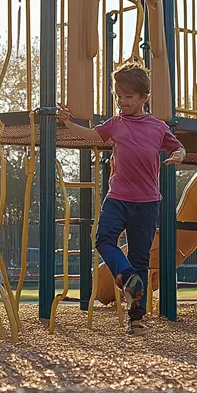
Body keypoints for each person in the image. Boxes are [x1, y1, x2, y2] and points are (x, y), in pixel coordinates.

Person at [62, 60, 184, 334]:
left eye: (128, 97)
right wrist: (68, 123)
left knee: (140, 257)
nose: (122, 102)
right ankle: (128, 277)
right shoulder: (115, 124)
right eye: (118, 96)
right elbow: (92, 135)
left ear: (144, 98)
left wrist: (178, 155)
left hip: (148, 202)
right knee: (104, 239)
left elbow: (178, 148)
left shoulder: (157, 127)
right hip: (118, 197)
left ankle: (136, 319)